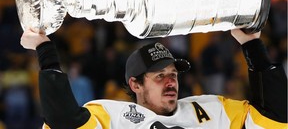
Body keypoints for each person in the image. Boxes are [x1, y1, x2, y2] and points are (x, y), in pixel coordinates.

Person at [20, 28, 287, 129]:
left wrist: (252, 45)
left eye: (173, 75)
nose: (171, 82)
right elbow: (63, 123)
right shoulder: (112, 116)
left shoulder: (210, 111)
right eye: (159, 76)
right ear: (135, 84)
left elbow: (275, 118)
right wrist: (45, 49)